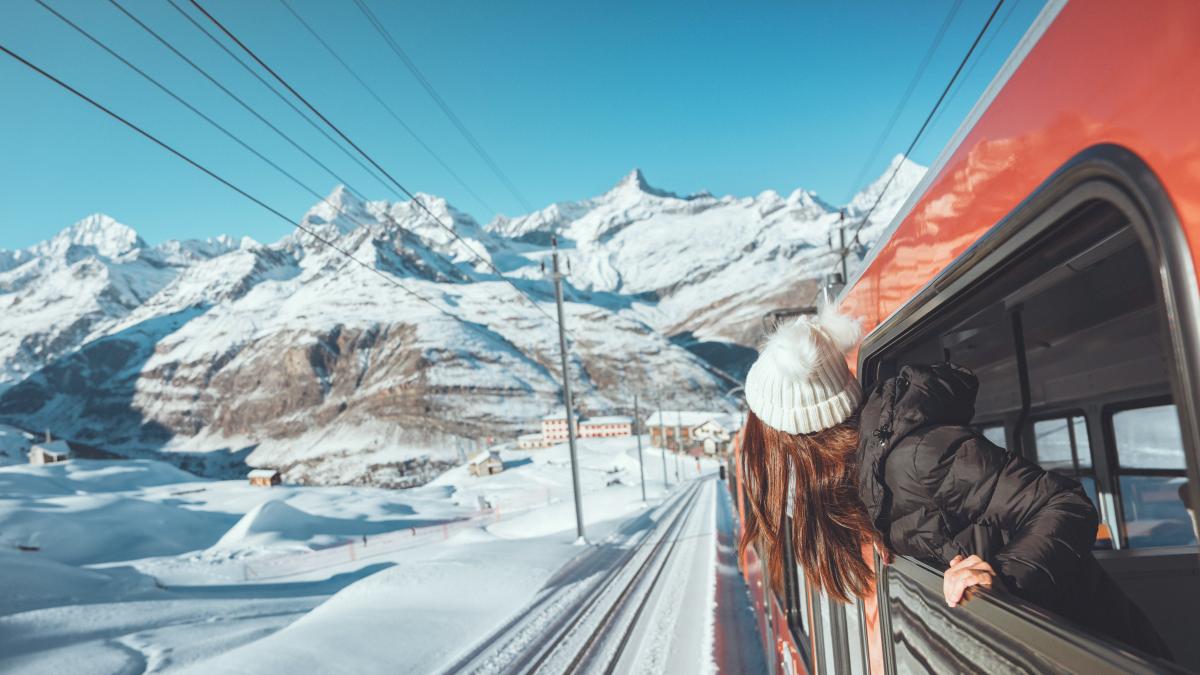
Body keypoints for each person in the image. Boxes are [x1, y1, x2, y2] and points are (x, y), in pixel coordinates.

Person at [738, 308, 1170, 662]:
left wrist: (1001, 579)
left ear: (797, 442)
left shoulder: (917, 457)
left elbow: (1065, 504)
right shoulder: (868, 476)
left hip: (1100, 651)